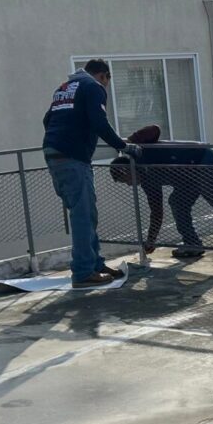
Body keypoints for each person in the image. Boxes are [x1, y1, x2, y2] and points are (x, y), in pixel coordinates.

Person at [109, 125, 213, 265]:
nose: (129, 185)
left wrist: (128, 141)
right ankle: (193, 244)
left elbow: (154, 129)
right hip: (187, 176)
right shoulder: (147, 182)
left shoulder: (142, 151)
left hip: (203, 161)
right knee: (177, 202)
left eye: (126, 180)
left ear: (127, 169)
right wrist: (151, 240)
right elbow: (156, 212)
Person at [42, 58, 130, 288]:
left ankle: (95, 264)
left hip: (55, 153)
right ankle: (82, 273)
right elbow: (99, 122)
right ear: (103, 76)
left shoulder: (65, 88)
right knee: (82, 215)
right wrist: (123, 146)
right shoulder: (93, 87)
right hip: (72, 157)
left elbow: (47, 120)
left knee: (86, 212)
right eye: (107, 82)